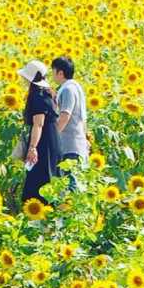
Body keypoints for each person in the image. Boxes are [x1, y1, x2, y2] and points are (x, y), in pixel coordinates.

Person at [17, 59, 61, 206]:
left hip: (43, 143)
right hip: (53, 140)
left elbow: (39, 124)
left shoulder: (38, 96)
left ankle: (40, 217)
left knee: (40, 180)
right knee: (50, 178)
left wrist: (33, 148)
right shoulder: (49, 93)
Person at [51, 56, 89, 192]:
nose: (52, 75)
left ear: (60, 73)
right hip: (76, 143)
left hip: (69, 145)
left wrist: (52, 137)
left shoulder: (68, 90)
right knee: (73, 186)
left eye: (53, 71)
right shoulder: (75, 87)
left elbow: (65, 116)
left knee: (71, 187)